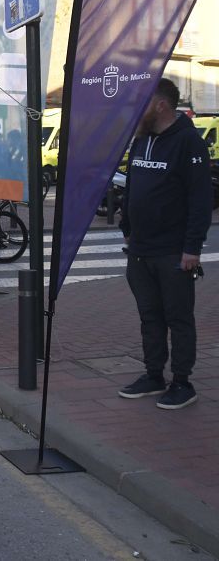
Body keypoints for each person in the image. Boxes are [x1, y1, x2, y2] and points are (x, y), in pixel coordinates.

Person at [118, 78, 212, 410]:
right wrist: (126, 226)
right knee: (150, 317)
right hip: (140, 250)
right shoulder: (142, 140)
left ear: (160, 105)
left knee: (178, 318)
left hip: (174, 251)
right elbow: (132, 185)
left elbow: (200, 200)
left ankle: (183, 383)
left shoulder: (188, 142)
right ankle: (153, 375)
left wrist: (192, 248)